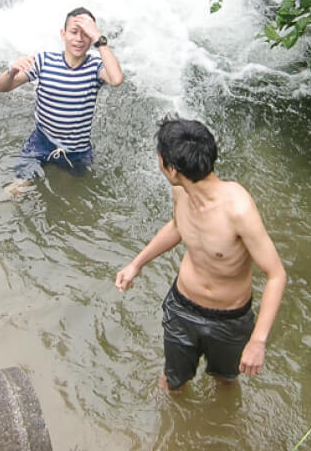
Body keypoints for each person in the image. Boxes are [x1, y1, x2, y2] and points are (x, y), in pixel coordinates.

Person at [114, 116, 287, 390]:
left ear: (171, 169)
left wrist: (258, 341)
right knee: (172, 381)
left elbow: (276, 274)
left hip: (229, 319)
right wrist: (137, 263)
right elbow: (178, 227)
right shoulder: (181, 192)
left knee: (226, 380)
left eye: (159, 156)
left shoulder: (238, 209)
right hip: (182, 307)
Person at [0, 7, 124, 185]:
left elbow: (117, 79)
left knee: (66, 194)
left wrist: (98, 39)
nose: (79, 39)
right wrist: (11, 71)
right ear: (63, 34)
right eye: (74, 32)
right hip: (41, 141)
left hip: (76, 150)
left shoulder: (95, 65)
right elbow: (3, 87)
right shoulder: (45, 61)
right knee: (17, 189)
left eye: (86, 34)